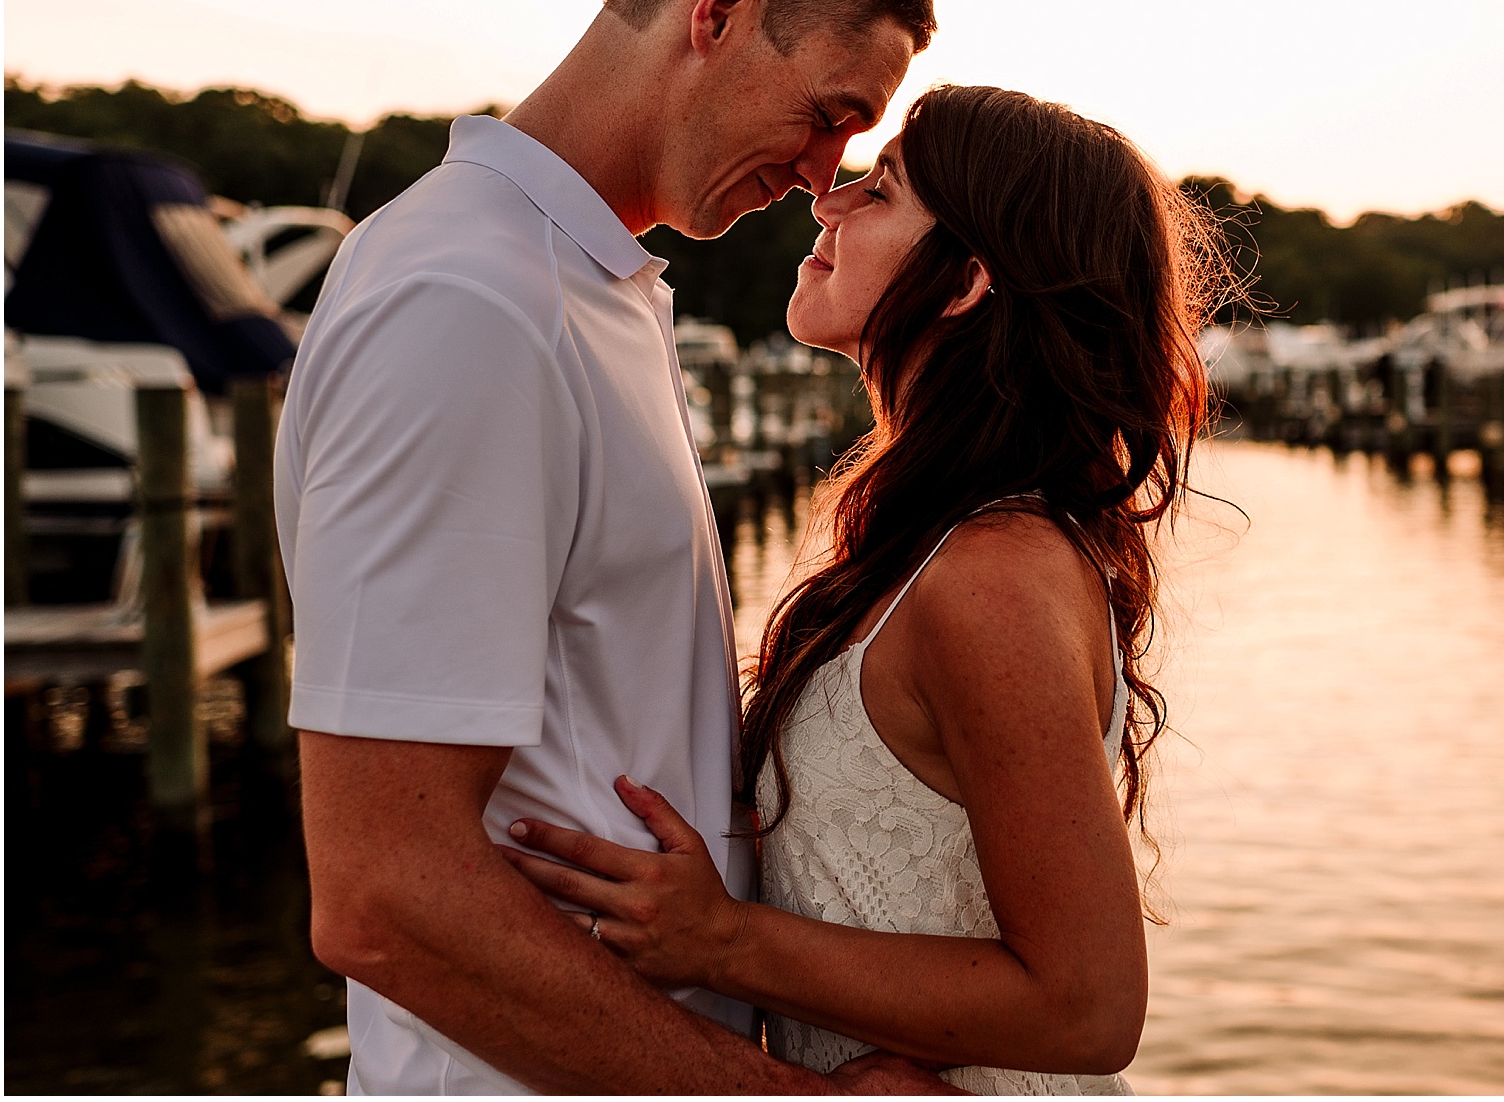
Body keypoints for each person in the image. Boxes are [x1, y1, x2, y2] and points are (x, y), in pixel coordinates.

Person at [279, 0, 955, 1094]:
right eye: (828, 115)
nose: (822, 181)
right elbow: (384, 895)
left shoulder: (586, 288)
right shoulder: (470, 300)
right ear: (722, 13)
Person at [497, 84, 1227, 1093]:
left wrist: (721, 943)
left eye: (877, 191)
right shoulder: (937, 548)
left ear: (967, 281)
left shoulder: (993, 573)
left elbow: (1089, 1006)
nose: (825, 204)